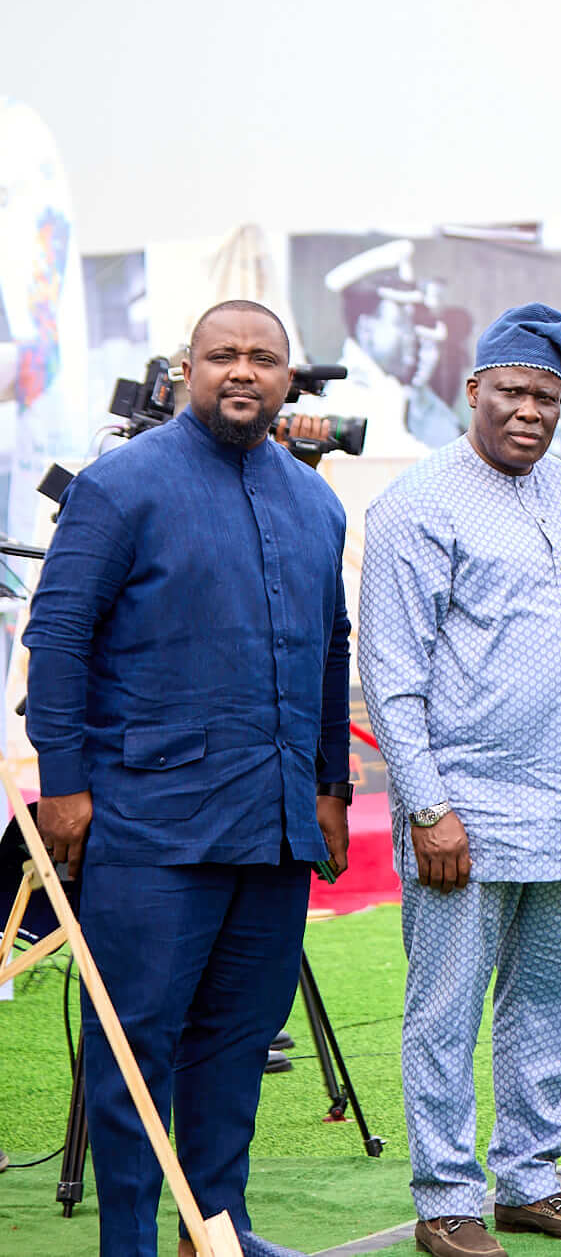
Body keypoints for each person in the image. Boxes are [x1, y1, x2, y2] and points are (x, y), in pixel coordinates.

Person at [26, 300, 352, 1257]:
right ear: (185, 370)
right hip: (150, 826)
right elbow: (57, 638)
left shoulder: (317, 503)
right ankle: (127, 1242)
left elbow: (330, 651)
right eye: (223, 355)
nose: (243, 370)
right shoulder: (120, 486)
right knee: (135, 1044)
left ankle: (216, 1231)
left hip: (276, 825)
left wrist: (330, 786)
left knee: (240, 1041)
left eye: (264, 357)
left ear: (287, 377)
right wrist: (64, 784)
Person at [359, 304, 561, 1257]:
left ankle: (529, 1179)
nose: (529, 411)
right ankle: (445, 1199)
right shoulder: (417, 502)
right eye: (511, 391)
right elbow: (392, 671)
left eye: (547, 397)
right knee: (445, 1009)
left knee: (550, 999)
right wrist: (426, 805)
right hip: (463, 808)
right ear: (473, 388)